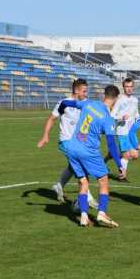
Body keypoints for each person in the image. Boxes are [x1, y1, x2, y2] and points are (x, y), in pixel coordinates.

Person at [58, 85, 125, 227]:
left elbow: (66, 103)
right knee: (103, 180)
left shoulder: (89, 103)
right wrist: (120, 165)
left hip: (72, 147)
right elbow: (112, 146)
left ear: (104, 95)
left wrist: (60, 110)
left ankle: (83, 216)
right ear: (116, 99)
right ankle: (101, 213)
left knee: (83, 182)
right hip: (88, 151)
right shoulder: (108, 118)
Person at [37, 78, 97, 209]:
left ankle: (59, 186)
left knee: (74, 166)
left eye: (87, 91)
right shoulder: (63, 103)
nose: (86, 94)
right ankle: (87, 198)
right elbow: (51, 119)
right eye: (84, 91)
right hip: (66, 141)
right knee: (81, 167)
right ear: (76, 90)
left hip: (80, 142)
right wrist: (45, 136)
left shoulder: (87, 104)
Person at [107, 78, 139, 179]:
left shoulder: (135, 100)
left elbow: (136, 113)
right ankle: (122, 175)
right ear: (123, 87)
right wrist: (121, 118)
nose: (129, 89)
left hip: (130, 132)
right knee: (127, 155)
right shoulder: (120, 100)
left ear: (133, 87)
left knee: (135, 155)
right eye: (126, 87)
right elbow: (112, 115)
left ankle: (109, 156)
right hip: (121, 131)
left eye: (130, 86)